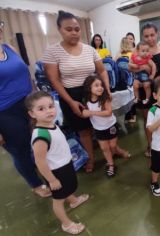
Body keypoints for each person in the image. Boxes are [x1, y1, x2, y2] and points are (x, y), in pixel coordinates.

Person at [43, 10, 110, 173]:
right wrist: (71, 102)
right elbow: (54, 80)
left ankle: (111, 152)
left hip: (93, 92)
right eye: (69, 29)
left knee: (102, 125)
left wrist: (106, 91)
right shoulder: (52, 52)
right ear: (59, 30)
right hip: (71, 95)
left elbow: (102, 71)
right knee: (84, 131)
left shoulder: (90, 49)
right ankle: (91, 159)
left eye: (77, 29)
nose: (74, 32)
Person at [0, 20, 51, 198]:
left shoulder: (8, 48)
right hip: (6, 113)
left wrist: (36, 96)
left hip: (29, 103)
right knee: (20, 150)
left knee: (38, 140)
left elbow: (27, 74)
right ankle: (35, 184)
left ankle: (45, 171)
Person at [26, 91, 89, 235]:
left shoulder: (51, 124)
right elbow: (40, 161)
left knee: (68, 187)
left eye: (50, 106)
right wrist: (52, 180)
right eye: (41, 109)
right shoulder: (41, 135)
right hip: (55, 172)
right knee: (58, 199)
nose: (48, 111)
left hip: (65, 165)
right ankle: (66, 224)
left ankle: (73, 200)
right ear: (32, 114)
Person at [129, 23, 160, 158]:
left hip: (159, 91)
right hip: (143, 90)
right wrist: (143, 69)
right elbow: (130, 68)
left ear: (157, 34)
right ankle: (150, 145)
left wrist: (153, 80)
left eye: (152, 35)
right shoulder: (138, 51)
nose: (150, 38)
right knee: (148, 119)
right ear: (143, 36)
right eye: (146, 36)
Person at [82, 76, 131, 178]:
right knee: (104, 148)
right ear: (88, 88)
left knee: (112, 146)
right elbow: (84, 112)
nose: (100, 88)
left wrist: (91, 112)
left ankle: (119, 151)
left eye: (101, 85)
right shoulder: (86, 100)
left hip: (110, 126)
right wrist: (84, 113)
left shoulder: (104, 98)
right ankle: (111, 164)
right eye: (96, 85)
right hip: (98, 129)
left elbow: (108, 112)